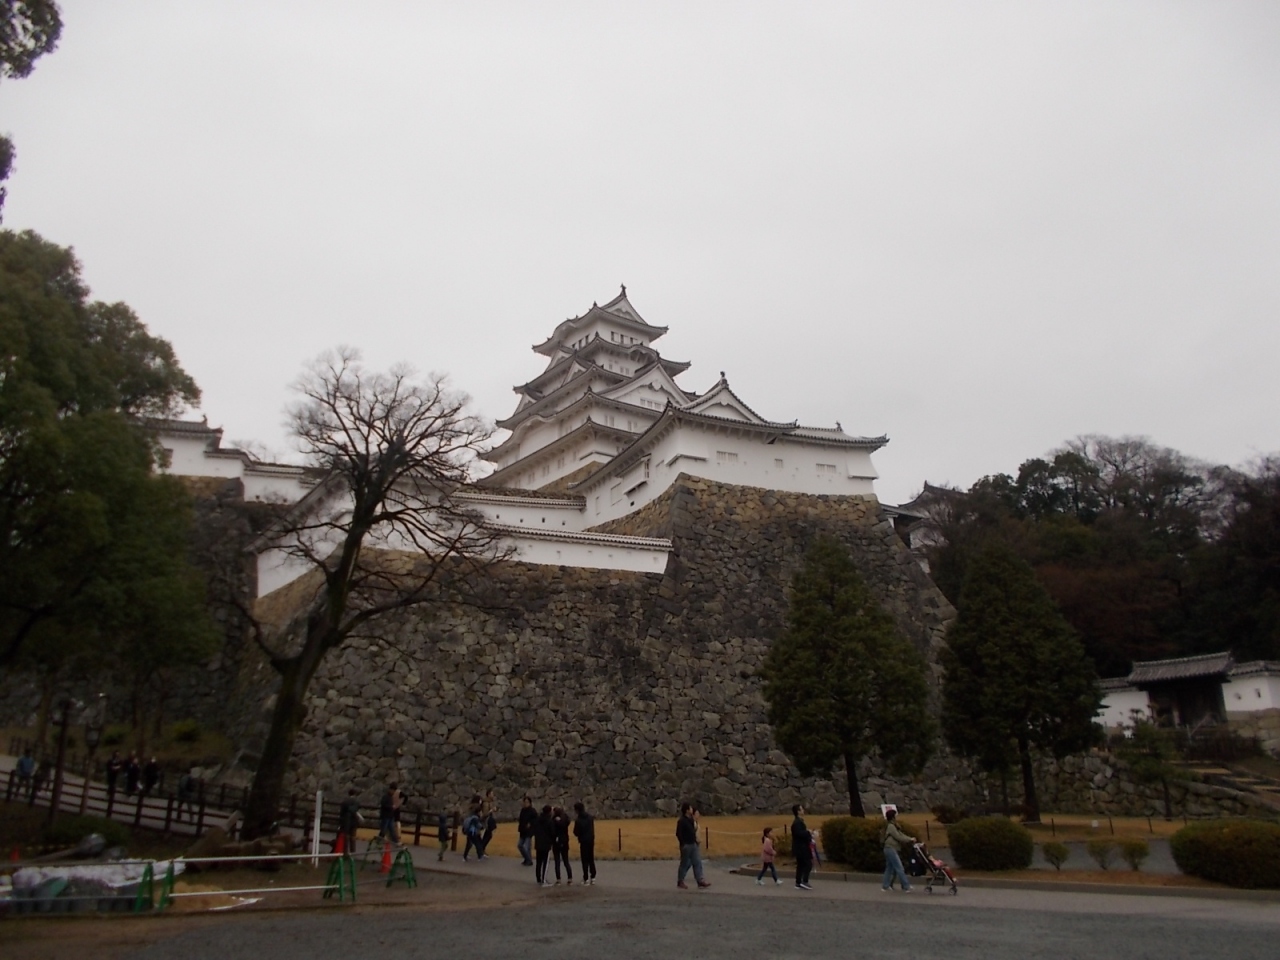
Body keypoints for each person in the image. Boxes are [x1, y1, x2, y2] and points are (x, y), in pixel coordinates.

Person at [881, 808, 916, 893]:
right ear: (892, 817)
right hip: (890, 848)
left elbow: (901, 834)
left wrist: (909, 838)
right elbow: (898, 837)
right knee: (899, 867)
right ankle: (905, 886)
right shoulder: (891, 826)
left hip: (889, 849)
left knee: (889, 868)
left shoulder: (894, 826)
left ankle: (885, 886)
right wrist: (910, 840)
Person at [676, 802, 710, 889]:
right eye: (690, 808)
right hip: (686, 845)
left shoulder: (690, 820)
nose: (692, 810)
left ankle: (700, 880)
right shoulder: (682, 821)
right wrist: (683, 843)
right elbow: (678, 833)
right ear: (687, 810)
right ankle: (680, 881)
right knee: (684, 863)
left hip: (693, 844)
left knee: (697, 862)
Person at [573, 801, 596, 885]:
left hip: (583, 841)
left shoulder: (578, 820)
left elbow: (575, 832)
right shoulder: (590, 817)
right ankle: (593, 876)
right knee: (591, 858)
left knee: (584, 860)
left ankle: (585, 877)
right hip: (590, 839)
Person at [791, 804, 813, 890]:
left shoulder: (799, 821)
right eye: (801, 809)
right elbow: (799, 834)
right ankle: (804, 881)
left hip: (799, 847)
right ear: (798, 812)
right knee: (808, 864)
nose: (803, 810)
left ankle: (798, 882)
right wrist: (809, 833)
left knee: (800, 865)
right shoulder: (797, 823)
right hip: (801, 847)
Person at [533, 804, 555, 886]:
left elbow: (534, 829)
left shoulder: (537, 820)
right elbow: (552, 832)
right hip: (546, 844)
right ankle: (544, 880)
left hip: (538, 843)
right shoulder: (549, 821)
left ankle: (538, 878)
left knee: (539, 862)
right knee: (545, 863)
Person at [551, 805, 573, 884]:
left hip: (556, 841)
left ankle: (558, 879)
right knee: (566, 860)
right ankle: (570, 877)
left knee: (557, 861)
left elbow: (552, 830)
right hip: (564, 841)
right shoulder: (565, 819)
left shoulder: (554, 820)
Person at [337, 788, 362, 853]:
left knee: (346, 837)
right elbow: (356, 810)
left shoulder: (344, 802)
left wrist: (340, 822)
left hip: (346, 821)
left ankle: (345, 852)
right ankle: (352, 852)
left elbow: (341, 813)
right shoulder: (357, 802)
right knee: (353, 837)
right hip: (354, 821)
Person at [517, 796, 537, 866]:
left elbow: (536, 820)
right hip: (523, 831)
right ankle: (527, 858)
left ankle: (529, 860)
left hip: (529, 832)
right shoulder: (523, 810)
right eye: (524, 802)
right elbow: (521, 820)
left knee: (527, 847)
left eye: (527, 802)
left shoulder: (532, 811)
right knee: (520, 845)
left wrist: (530, 824)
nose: (525, 804)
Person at [479, 789, 498, 857]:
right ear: (489, 794)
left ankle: (482, 849)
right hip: (486, 821)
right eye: (492, 794)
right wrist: (491, 810)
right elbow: (485, 813)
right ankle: (481, 849)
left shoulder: (490, 802)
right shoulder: (486, 803)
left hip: (488, 821)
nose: (493, 795)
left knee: (488, 835)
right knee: (488, 835)